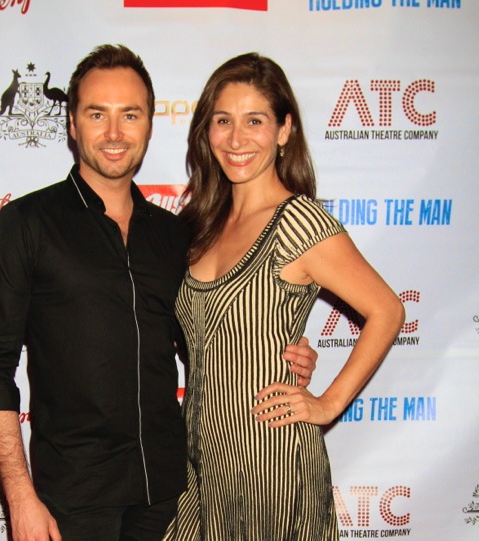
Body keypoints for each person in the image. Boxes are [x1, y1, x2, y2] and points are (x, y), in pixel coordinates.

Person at [0, 45, 319, 541]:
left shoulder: (174, 236)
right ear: (72, 123)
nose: (114, 134)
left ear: (149, 124)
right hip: (71, 499)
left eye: (129, 115)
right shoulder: (27, 225)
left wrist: (282, 351)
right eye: (97, 114)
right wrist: (20, 498)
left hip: (169, 496)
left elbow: (209, 337)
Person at [165, 53, 406, 541]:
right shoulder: (198, 227)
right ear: (206, 131)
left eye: (255, 121)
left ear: (283, 130)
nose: (236, 139)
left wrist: (327, 404)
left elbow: (387, 310)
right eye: (223, 121)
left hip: (269, 456)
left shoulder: (298, 222)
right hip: (200, 457)